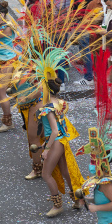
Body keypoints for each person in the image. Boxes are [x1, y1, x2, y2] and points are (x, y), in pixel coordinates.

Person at [36, 78, 83, 216]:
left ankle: (57, 205)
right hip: (62, 141)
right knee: (65, 172)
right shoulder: (60, 103)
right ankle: (77, 199)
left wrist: (47, 149)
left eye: (41, 87)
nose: (39, 89)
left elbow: (54, 131)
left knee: (46, 174)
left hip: (56, 142)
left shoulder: (47, 108)